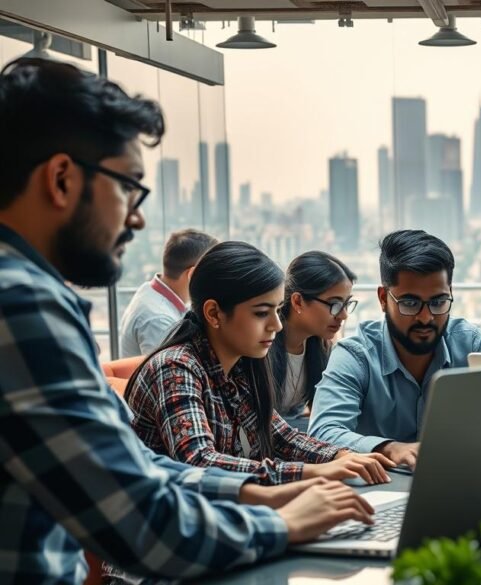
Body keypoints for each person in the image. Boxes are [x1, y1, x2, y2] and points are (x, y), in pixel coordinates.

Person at [0, 58, 371, 583]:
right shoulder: (20, 306)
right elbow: (142, 524)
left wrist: (256, 492)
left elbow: (133, 465)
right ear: (61, 179)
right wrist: (281, 523)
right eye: (128, 186)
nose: (137, 216)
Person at [125, 242, 392, 486]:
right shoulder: (175, 368)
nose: (276, 325)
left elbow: (279, 436)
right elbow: (200, 463)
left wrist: (340, 455)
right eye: (262, 313)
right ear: (214, 313)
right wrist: (314, 471)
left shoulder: (241, 366)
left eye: (277, 310)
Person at [309, 230, 481, 469]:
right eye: (410, 303)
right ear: (384, 298)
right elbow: (322, 432)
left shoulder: (471, 345)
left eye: (438, 302)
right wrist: (389, 448)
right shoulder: (355, 355)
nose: (426, 318)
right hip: (377, 495)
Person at [270, 251, 359, 432]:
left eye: (346, 303)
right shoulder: (262, 345)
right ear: (298, 302)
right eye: (334, 304)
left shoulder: (321, 347)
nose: (344, 315)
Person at [119, 228, 218, 357]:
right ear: (192, 274)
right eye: (212, 272)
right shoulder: (159, 321)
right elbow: (166, 371)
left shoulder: (150, 289)